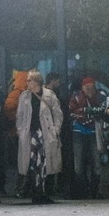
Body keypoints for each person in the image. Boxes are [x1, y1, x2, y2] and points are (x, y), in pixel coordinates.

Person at [16, 70, 65, 204]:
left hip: (45, 134)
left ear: (36, 81)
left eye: (29, 80)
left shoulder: (49, 95)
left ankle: (43, 192)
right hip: (30, 134)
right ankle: (35, 192)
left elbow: (58, 114)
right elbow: (19, 115)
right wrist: (20, 130)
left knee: (44, 163)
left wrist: (55, 130)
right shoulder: (24, 96)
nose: (27, 83)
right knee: (32, 164)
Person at [68, 76, 108, 198]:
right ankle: (83, 191)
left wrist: (84, 111)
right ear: (82, 88)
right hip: (78, 133)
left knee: (96, 164)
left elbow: (102, 111)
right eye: (86, 87)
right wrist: (90, 112)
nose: (89, 89)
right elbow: (71, 112)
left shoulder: (101, 97)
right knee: (78, 166)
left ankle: (94, 192)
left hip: (94, 133)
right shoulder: (75, 96)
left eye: (91, 87)